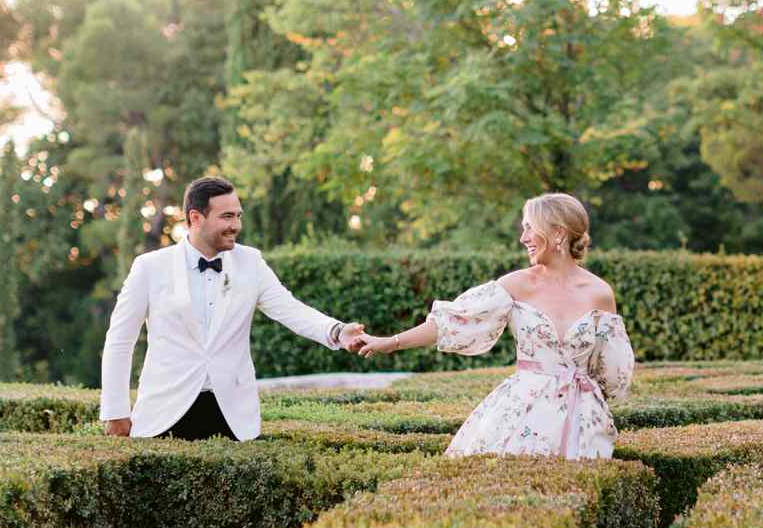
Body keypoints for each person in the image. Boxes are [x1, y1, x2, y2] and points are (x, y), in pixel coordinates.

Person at [357, 193, 633, 459]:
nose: (523, 238)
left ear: (558, 233)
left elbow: (612, 368)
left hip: (582, 417)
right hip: (523, 407)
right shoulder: (516, 284)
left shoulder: (599, 293)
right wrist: (389, 342)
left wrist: (590, 403)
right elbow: (452, 322)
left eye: (529, 228)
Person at [100, 176, 365, 441]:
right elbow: (120, 341)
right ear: (195, 218)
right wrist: (115, 412)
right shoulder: (149, 267)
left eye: (238, 216)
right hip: (164, 414)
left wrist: (338, 331)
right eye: (227, 217)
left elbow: (291, 310)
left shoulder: (251, 262)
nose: (236, 225)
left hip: (233, 417)